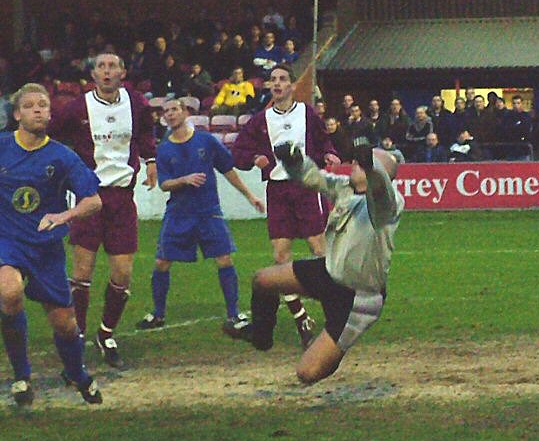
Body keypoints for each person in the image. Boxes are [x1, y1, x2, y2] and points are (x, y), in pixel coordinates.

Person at [246, 138, 403, 384]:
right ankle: (261, 337)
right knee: (262, 280)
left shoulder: (387, 204)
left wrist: (371, 166)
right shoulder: (345, 188)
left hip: (358, 296)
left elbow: (380, 188)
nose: (354, 165)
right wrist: (292, 159)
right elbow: (312, 178)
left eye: (360, 165)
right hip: (329, 272)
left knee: (307, 373)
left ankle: (333, 353)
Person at [48, 53, 157, 368]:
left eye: (113, 66)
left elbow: (146, 133)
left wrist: (151, 160)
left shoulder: (136, 103)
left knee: (122, 273)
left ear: (123, 72)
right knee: (82, 272)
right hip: (88, 197)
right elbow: (52, 132)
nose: (107, 72)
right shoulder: (77, 107)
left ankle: (106, 332)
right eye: (101, 67)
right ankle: (78, 334)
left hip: (122, 199)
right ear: (92, 74)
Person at [1, 83, 103, 406]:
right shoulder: (2, 147)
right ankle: (21, 376)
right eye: (30, 105)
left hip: (46, 248)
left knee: (65, 324)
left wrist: (64, 216)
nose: (38, 110)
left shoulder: (62, 156)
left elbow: (94, 201)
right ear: (17, 114)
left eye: (43, 105)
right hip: (8, 241)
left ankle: (78, 374)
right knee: (8, 291)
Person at [232, 64, 340, 349]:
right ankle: (301, 317)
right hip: (278, 191)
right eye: (273, 80)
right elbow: (239, 152)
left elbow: (323, 139)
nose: (277, 84)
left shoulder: (307, 114)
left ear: (292, 86)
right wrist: (254, 158)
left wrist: (329, 152)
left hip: (306, 187)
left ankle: (337, 314)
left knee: (319, 249)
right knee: (281, 256)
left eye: (282, 79)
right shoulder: (260, 120)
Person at [135, 99, 265, 333]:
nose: (170, 114)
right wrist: (184, 180)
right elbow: (164, 184)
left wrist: (250, 196)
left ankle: (234, 313)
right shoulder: (163, 148)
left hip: (208, 211)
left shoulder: (206, 141)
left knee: (224, 259)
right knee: (161, 262)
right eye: (166, 112)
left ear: (185, 112)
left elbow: (227, 169)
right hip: (178, 214)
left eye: (174, 109)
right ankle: (158, 313)